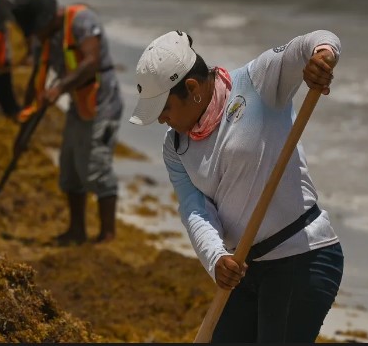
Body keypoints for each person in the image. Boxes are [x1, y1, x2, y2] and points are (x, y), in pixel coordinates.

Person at [128, 29, 343, 343]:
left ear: (191, 88)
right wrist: (216, 258)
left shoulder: (258, 83)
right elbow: (195, 210)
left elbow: (317, 40)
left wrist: (322, 55)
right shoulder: (175, 147)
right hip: (245, 268)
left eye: (164, 109)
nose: (162, 120)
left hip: (303, 256)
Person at [12, 0, 122, 245]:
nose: (36, 37)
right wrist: (22, 131)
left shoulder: (82, 20)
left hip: (103, 102)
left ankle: (107, 235)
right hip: (77, 103)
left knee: (96, 166)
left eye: (36, 31)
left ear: (48, 19)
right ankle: (76, 231)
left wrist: (59, 87)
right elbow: (35, 82)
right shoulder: (44, 40)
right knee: (70, 168)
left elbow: (90, 62)